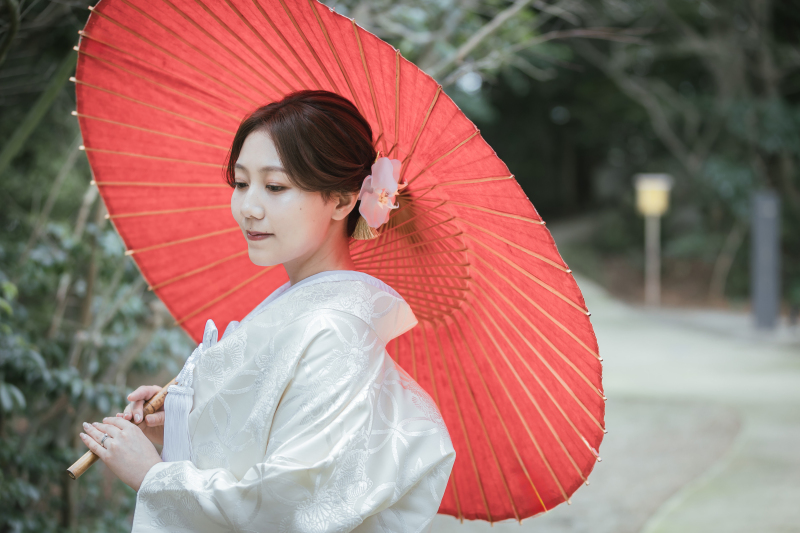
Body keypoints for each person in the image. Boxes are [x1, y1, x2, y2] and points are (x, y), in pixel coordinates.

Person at [78, 90, 456, 532]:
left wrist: (153, 477)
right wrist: (180, 426)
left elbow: (289, 504)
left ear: (341, 200)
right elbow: (258, 444)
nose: (248, 208)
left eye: (275, 186)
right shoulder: (297, 306)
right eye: (240, 183)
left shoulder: (334, 330)